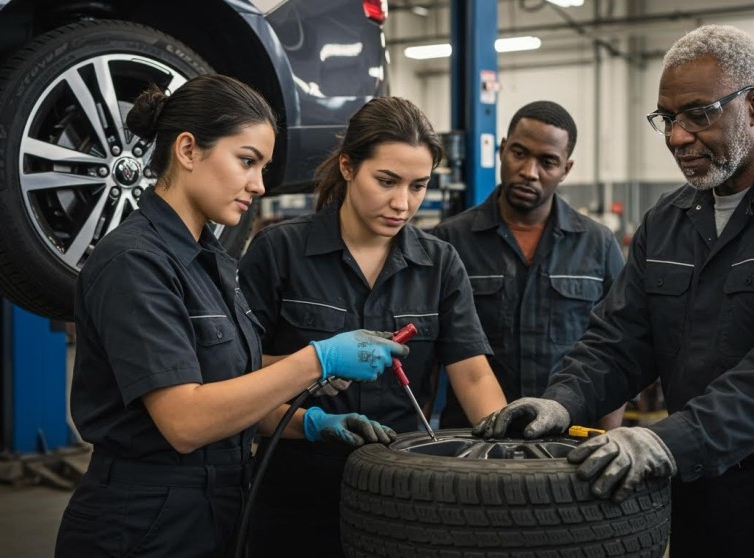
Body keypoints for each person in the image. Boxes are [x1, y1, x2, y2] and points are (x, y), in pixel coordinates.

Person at [475, 25, 754, 557]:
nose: (676, 137)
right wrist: (563, 402)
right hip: (700, 490)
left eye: (698, 114)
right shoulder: (668, 219)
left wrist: (666, 440)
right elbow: (619, 340)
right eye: (667, 119)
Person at [54, 74, 409, 558]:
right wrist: (316, 360)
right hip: (143, 521)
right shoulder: (135, 263)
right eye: (247, 161)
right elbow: (186, 421)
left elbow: (227, 388)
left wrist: (307, 422)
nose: (259, 184)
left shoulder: (208, 260)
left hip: (213, 506)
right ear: (187, 149)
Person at [237, 96, 508, 557]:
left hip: (399, 492)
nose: (402, 203)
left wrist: (508, 462)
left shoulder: (438, 263)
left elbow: (474, 374)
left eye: (418, 186)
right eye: (386, 181)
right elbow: (240, 377)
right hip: (292, 488)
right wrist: (313, 410)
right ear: (347, 166)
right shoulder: (278, 251)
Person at [430, 101, 626, 430]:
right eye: (519, 153)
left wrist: (606, 439)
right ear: (503, 150)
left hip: (570, 440)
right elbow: (429, 360)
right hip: (473, 441)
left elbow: (618, 352)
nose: (529, 172)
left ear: (566, 169)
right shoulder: (450, 242)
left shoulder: (599, 244)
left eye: (547, 162)